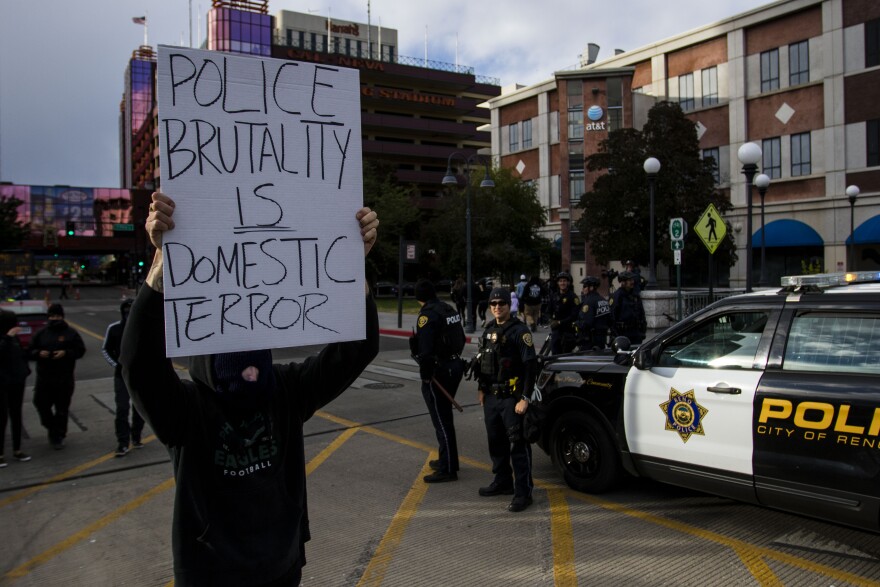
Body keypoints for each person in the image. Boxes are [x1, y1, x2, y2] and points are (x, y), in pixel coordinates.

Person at [120, 192, 380, 586]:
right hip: (211, 573)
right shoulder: (187, 411)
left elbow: (357, 349)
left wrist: (350, 262)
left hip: (282, 565)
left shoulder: (285, 392)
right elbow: (139, 366)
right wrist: (160, 272)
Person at [474, 287, 538, 512]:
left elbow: (531, 366)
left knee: (517, 445)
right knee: (496, 443)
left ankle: (524, 492)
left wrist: (525, 398)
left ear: (508, 306)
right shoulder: (488, 330)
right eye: (493, 304)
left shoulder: (520, 332)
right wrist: (482, 388)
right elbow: (483, 362)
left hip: (513, 398)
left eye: (501, 303)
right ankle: (502, 482)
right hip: (492, 396)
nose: (497, 307)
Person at [410, 279, 466, 483]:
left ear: (419, 298)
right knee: (445, 417)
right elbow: (461, 336)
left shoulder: (427, 315)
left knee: (441, 420)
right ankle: (448, 458)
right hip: (455, 365)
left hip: (439, 371)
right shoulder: (447, 309)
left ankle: (448, 468)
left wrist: (426, 376)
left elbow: (425, 352)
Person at [29, 303, 86, 449]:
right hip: (44, 378)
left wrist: (66, 353)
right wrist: (38, 353)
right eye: (52, 316)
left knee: (62, 410)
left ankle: (58, 436)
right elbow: (29, 351)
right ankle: (52, 428)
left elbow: (80, 350)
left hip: (64, 378)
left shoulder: (71, 333)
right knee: (41, 404)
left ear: (62, 317)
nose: (55, 319)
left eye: (58, 316)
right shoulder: (41, 333)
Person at [102, 298, 145, 457]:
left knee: (140, 409)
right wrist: (118, 365)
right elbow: (106, 349)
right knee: (122, 409)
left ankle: (136, 436)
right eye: (126, 310)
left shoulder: (143, 327)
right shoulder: (114, 329)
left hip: (139, 376)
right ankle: (122, 442)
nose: (128, 313)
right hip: (121, 377)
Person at [0, 310, 32, 467]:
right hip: (2, 383)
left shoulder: (14, 340)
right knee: (2, 417)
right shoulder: (6, 339)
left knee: (16, 416)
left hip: (17, 382)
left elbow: (21, 355)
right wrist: (7, 337)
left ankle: (17, 449)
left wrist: (25, 370)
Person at [546, 271, 580, 354]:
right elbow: (548, 311)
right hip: (556, 332)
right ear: (557, 283)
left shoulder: (573, 297)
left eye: (564, 281)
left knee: (566, 357)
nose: (562, 283)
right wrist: (550, 320)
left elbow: (575, 315)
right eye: (560, 281)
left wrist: (560, 322)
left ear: (568, 282)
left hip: (568, 332)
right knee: (554, 355)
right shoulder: (554, 296)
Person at [610, 271, 647, 344]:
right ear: (623, 282)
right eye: (629, 280)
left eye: (632, 280)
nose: (632, 282)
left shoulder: (635, 295)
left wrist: (643, 331)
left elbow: (642, 314)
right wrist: (616, 335)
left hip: (636, 334)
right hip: (623, 333)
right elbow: (612, 317)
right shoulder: (617, 296)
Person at [576, 276, 611, 350]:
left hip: (590, 342)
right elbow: (610, 319)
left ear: (591, 288)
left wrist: (576, 324)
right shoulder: (603, 300)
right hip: (601, 340)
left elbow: (586, 322)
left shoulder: (588, 302)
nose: (583, 289)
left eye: (585, 286)